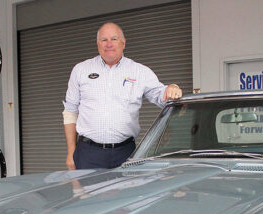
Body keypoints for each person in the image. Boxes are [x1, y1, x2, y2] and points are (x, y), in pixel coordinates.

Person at [62, 22, 182, 170]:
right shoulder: (81, 70)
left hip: (125, 153)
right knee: (87, 194)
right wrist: (70, 152)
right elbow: (70, 112)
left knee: (126, 194)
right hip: (88, 153)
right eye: (104, 40)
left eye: (114, 39)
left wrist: (172, 88)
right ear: (97, 43)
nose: (109, 44)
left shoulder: (139, 72)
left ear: (123, 43)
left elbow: (161, 95)